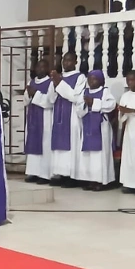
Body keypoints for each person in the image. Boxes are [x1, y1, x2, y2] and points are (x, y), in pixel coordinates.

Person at [74, 71, 117, 190]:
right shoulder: (84, 92)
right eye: (90, 79)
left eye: (94, 79)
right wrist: (85, 105)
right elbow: (78, 109)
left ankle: (101, 181)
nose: (91, 81)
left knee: (99, 156)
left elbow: (111, 105)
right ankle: (90, 180)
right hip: (88, 125)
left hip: (101, 128)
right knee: (88, 156)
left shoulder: (105, 91)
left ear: (100, 80)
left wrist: (94, 103)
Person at [50, 52, 86, 187]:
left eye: (69, 61)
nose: (66, 63)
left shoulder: (80, 77)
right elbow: (50, 98)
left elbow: (75, 97)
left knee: (71, 146)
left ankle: (72, 177)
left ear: (75, 62)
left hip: (71, 117)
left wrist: (59, 84)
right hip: (58, 115)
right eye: (64, 60)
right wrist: (55, 84)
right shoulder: (59, 77)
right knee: (59, 149)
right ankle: (60, 174)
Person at [24, 59, 55, 184]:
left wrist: (35, 93)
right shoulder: (31, 82)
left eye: (43, 67)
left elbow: (50, 101)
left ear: (47, 69)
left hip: (45, 118)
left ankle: (44, 174)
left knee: (45, 145)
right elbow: (25, 101)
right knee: (32, 144)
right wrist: (29, 94)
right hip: (33, 117)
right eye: (38, 67)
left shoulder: (51, 83)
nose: (39, 69)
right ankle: (33, 172)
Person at [119, 70, 135, 195]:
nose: (130, 82)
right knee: (129, 158)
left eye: (132, 80)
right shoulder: (125, 95)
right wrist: (122, 112)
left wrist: (130, 110)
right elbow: (122, 115)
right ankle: (129, 184)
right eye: (128, 80)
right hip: (129, 130)